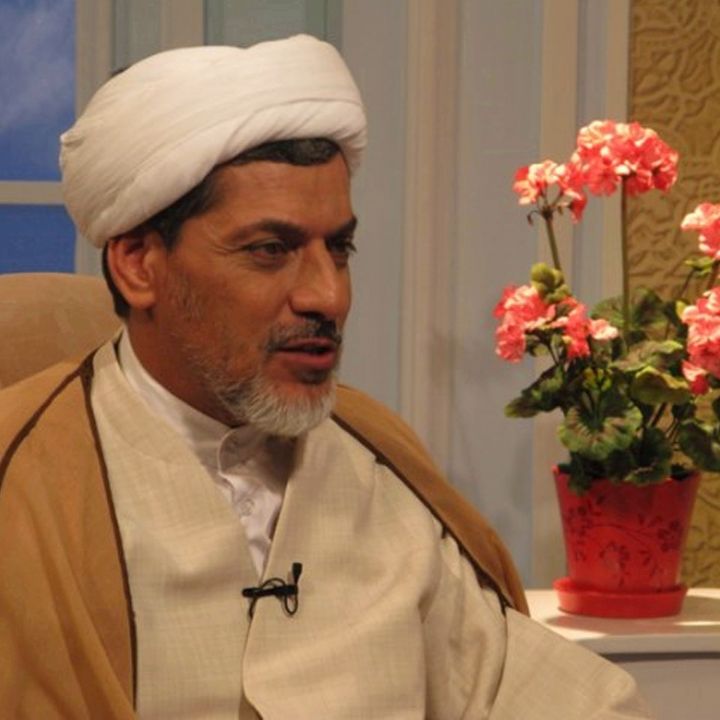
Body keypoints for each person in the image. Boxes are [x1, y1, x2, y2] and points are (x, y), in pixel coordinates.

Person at [0, 35, 653, 719]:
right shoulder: (24, 486)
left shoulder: (378, 466)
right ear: (138, 264)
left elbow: (540, 692)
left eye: (339, 248)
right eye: (270, 250)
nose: (329, 296)